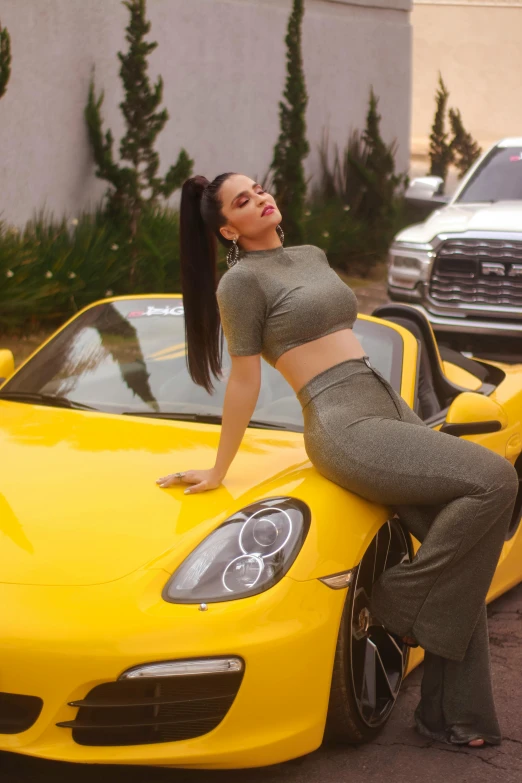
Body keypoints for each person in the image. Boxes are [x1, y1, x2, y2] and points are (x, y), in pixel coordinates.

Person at [156, 172, 519, 748]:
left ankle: (452, 716)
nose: (261, 200)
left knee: (461, 564)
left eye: (260, 189)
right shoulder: (241, 283)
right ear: (228, 228)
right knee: (494, 479)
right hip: (343, 423)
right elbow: (244, 381)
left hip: (387, 404)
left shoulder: (309, 255)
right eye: (243, 202)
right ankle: (398, 598)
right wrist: (218, 469)